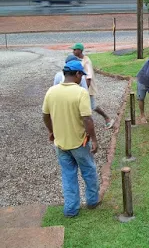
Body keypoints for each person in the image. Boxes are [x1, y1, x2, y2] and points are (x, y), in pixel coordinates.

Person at [42, 60, 100, 217]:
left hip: (60, 144)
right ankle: (93, 201)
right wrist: (94, 139)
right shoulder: (81, 93)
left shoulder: (51, 92)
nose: (81, 78)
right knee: (89, 170)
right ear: (77, 74)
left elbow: (45, 116)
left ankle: (71, 209)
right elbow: (87, 119)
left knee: (68, 175)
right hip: (79, 143)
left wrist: (52, 131)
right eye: (81, 74)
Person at [71, 43, 114, 129]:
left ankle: (107, 118)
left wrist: (85, 91)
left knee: (92, 106)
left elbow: (89, 77)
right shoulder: (80, 60)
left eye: (75, 50)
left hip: (87, 88)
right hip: (82, 88)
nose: (73, 51)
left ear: (80, 50)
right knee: (84, 106)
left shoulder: (86, 61)